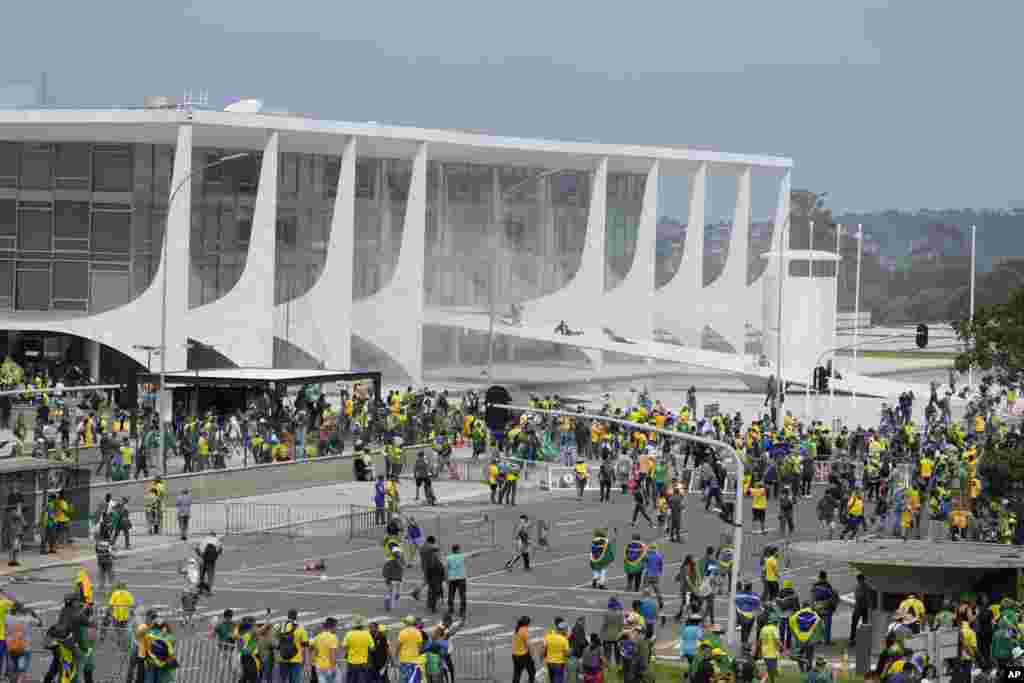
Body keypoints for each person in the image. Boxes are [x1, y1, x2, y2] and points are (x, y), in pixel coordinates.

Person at [274, 608, 309, 683]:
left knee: (282, 680)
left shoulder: (281, 627)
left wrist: (276, 657)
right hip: (296, 658)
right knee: (295, 680)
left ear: (288, 616)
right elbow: (305, 646)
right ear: (296, 616)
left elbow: (276, 644)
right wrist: (306, 663)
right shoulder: (301, 628)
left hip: (283, 658)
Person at [341, 614, 374, 683]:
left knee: (351, 680)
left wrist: (349, 650)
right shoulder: (366, 634)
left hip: (351, 661)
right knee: (362, 680)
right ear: (362, 625)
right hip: (363, 662)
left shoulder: (349, 634)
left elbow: (344, 646)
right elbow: (372, 648)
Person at [310, 617, 340, 683]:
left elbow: (314, 652)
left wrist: (313, 664)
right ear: (332, 626)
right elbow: (332, 654)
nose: (337, 628)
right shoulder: (333, 637)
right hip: (329, 666)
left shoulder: (317, 637)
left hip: (319, 666)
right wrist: (333, 667)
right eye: (336, 626)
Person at [397, 614, 424, 682]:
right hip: (414, 660)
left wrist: (396, 656)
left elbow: (398, 646)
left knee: (404, 679)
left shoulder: (402, 633)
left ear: (406, 623)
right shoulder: (418, 633)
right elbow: (420, 647)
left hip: (404, 660)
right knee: (413, 679)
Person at [543, 618, 570, 683]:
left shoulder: (548, 636)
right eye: (565, 629)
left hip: (549, 662)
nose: (566, 630)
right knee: (558, 679)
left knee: (552, 679)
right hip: (559, 663)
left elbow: (544, 649)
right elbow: (567, 653)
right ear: (562, 630)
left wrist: (543, 657)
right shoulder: (564, 640)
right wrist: (570, 652)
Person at [195, 531, 223, 595]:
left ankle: (199, 590)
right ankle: (209, 590)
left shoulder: (204, 539)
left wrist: (200, 555)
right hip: (211, 560)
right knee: (210, 575)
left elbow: (197, 549)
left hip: (203, 558)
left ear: (209, 535)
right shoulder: (217, 540)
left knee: (201, 575)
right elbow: (220, 551)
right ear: (215, 535)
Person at [512, 615, 536, 683]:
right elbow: (528, 644)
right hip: (523, 655)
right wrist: (532, 655)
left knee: (517, 673)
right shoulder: (524, 631)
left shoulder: (517, 629)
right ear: (527, 623)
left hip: (515, 654)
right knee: (532, 671)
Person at [446, 544, 468, 619]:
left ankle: (450, 609)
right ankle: (462, 611)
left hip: (452, 578)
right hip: (461, 578)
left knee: (451, 594)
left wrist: (446, 579)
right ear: (458, 549)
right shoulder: (462, 556)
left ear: (452, 550)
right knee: (462, 595)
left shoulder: (448, 558)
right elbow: (471, 556)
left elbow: (446, 568)